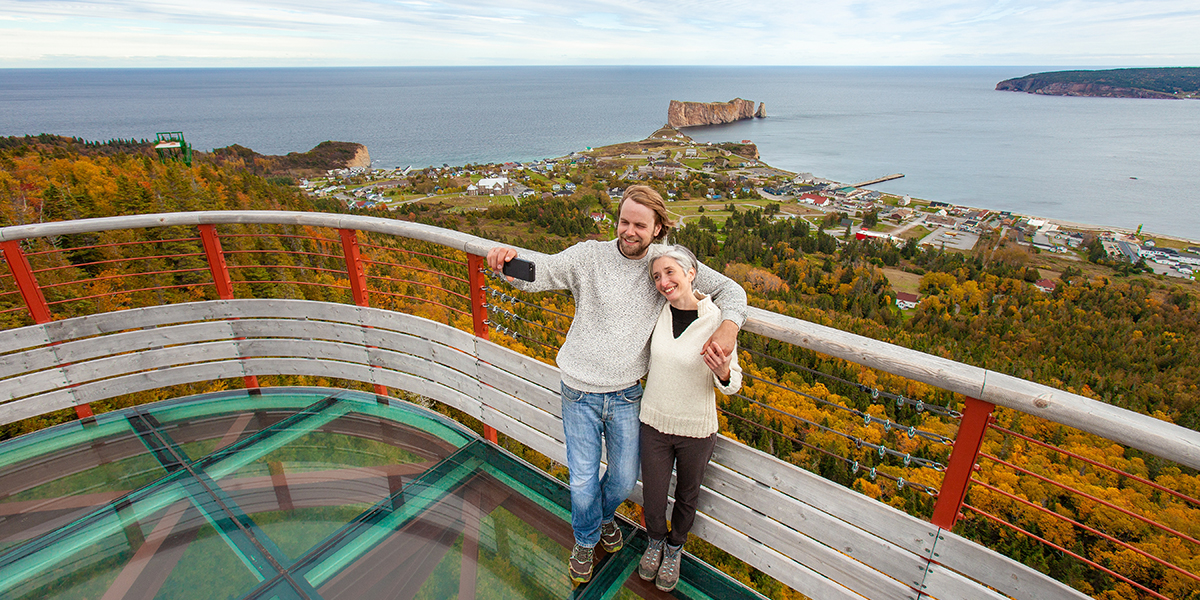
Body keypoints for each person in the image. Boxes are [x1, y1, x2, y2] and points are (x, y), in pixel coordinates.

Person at [486, 185, 746, 584]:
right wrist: (507, 261)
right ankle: (587, 538)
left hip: (627, 393)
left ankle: (603, 518)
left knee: (624, 479)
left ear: (658, 228)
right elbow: (542, 272)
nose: (629, 231)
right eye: (624, 221)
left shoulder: (667, 264)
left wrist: (728, 328)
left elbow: (731, 290)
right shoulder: (590, 256)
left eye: (640, 225)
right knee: (583, 478)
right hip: (578, 389)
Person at [636, 245, 742, 592]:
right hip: (653, 422)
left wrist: (724, 371)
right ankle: (655, 542)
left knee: (687, 495)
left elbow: (731, 385)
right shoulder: (657, 313)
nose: (663, 282)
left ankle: (674, 549)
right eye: (657, 277)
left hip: (696, 429)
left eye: (670, 273)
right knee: (652, 495)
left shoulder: (718, 320)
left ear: (691, 273)